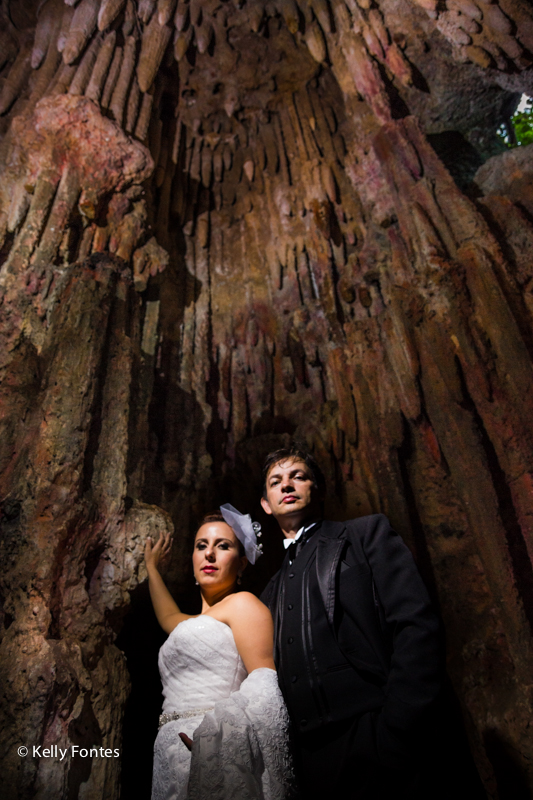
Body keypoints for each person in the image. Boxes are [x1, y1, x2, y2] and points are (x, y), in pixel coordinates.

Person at [259, 444, 442, 800]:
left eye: (299, 476)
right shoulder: (268, 592)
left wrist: (396, 731)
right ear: (266, 504)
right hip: (307, 766)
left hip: (378, 738)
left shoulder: (365, 534)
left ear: (318, 489)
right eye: (276, 481)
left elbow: (417, 625)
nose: (287, 485)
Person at [145, 506, 295, 800]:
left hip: (212, 746)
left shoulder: (243, 604)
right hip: (168, 750)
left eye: (222, 545)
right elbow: (167, 618)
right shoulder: (189, 623)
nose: (209, 554)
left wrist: (218, 740)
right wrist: (151, 568)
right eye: (201, 546)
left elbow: (264, 684)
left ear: (241, 564)